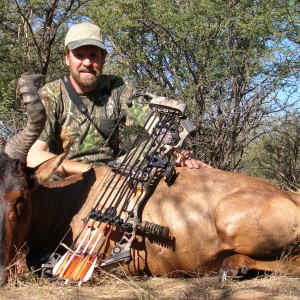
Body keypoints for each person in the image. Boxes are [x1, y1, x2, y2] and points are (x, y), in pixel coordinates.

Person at [27, 22, 211, 177]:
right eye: (79, 55)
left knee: (156, 147)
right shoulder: (50, 95)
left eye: (93, 55)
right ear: (67, 58)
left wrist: (183, 153)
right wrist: (91, 171)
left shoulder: (117, 87)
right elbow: (34, 156)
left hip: (111, 174)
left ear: (103, 58)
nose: (87, 63)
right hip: (67, 182)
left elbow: (154, 121)